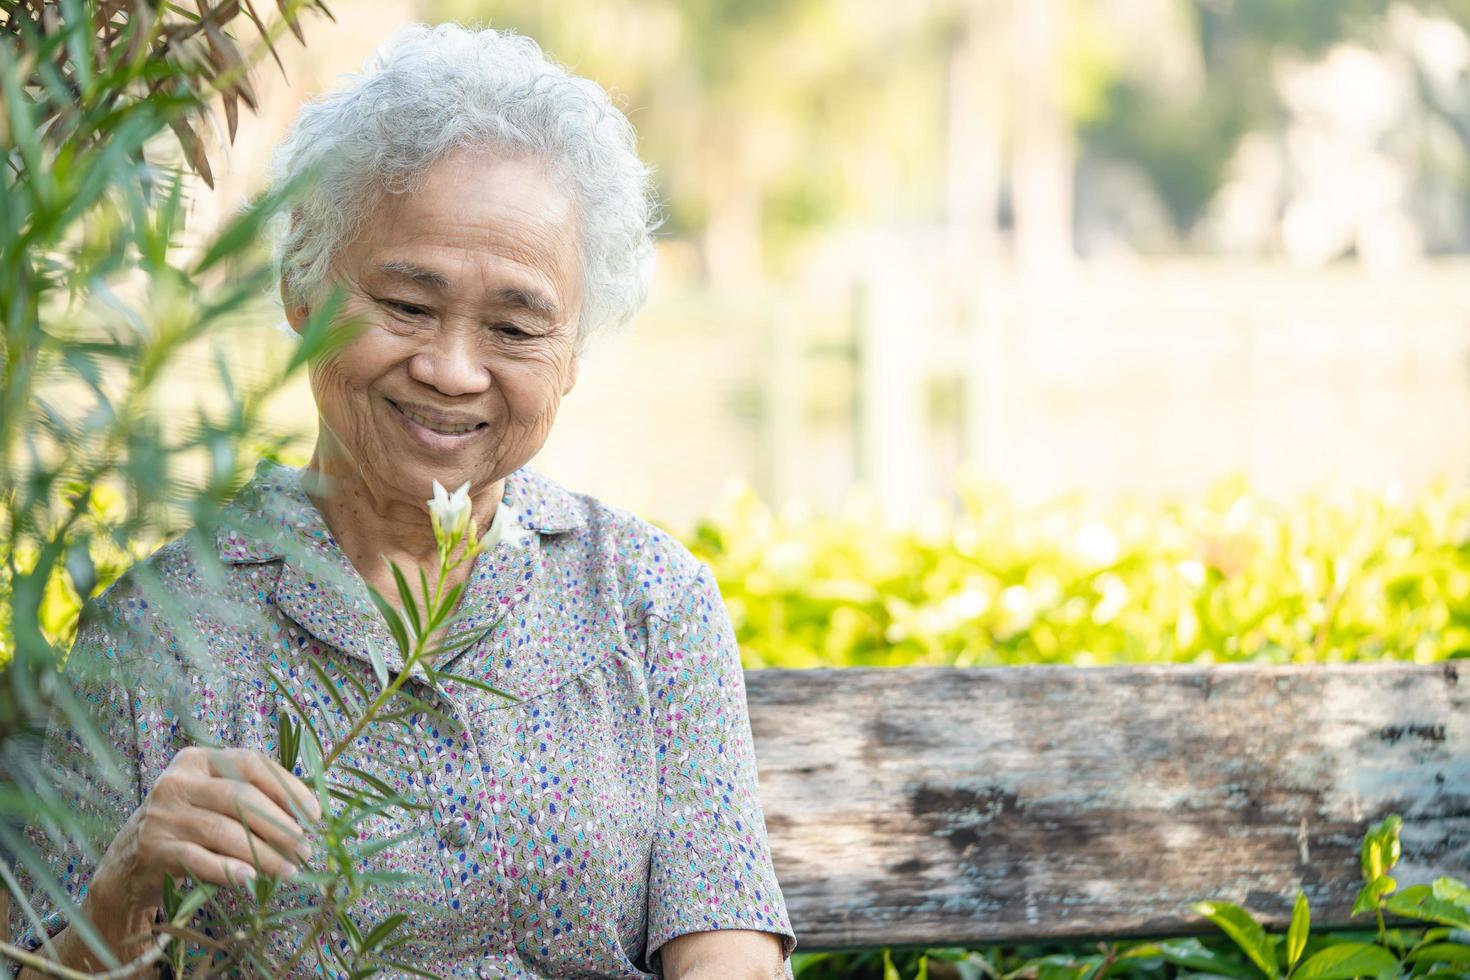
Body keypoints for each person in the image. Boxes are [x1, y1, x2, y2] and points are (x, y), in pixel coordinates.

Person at [10, 23, 796, 980]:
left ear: (573, 356)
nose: (452, 370)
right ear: (305, 289)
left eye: (513, 325)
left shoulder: (648, 601)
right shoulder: (158, 633)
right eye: (409, 306)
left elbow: (731, 957)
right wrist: (127, 879)